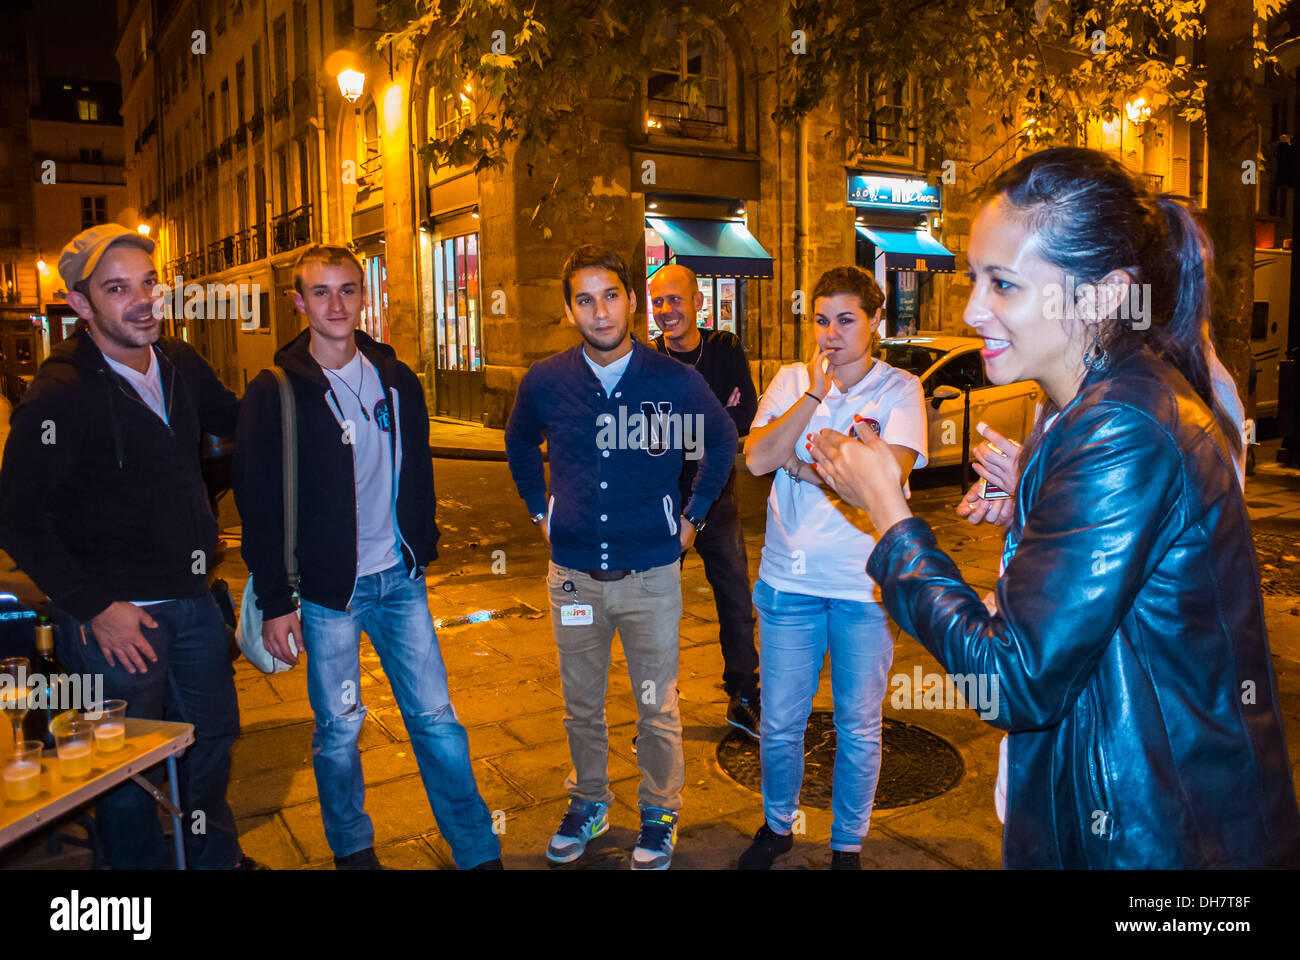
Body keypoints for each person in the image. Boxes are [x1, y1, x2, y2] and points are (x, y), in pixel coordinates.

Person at [810, 147, 1300, 868]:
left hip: (1155, 840)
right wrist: (1034, 520)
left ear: (1103, 295)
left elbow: (1013, 682)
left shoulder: (1124, 426)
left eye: (1003, 283)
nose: (974, 308)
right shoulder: (1093, 407)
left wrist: (890, 514)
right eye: (975, 278)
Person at [0, 224, 260, 869]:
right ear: (82, 305)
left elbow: (243, 425)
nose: (142, 300)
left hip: (193, 601)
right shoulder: (60, 395)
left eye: (148, 282)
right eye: (117, 289)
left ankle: (210, 860)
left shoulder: (179, 363)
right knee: (123, 768)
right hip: (113, 619)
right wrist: (93, 606)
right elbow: (18, 519)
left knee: (212, 741)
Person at [233, 244, 501, 870]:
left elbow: (420, 468)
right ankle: (353, 851)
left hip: (400, 580)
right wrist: (276, 601)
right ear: (299, 302)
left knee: (438, 722)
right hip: (330, 593)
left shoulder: (396, 378)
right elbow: (259, 504)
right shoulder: (275, 391)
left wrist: (422, 540)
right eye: (320, 292)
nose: (335, 304)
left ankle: (477, 849)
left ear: (363, 295)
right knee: (339, 734)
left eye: (347, 290)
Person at [505, 245, 737, 869]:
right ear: (569, 309)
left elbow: (721, 443)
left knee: (656, 703)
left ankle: (660, 812)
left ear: (631, 302)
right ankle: (589, 799)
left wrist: (692, 519)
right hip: (575, 583)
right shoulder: (547, 381)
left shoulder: (673, 381)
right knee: (581, 700)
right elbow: (520, 441)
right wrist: (540, 511)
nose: (600, 311)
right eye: (585, 299)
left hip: (650, 577)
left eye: (611, 296)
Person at [737, 265, 927, 870]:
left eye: (846, 320)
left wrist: (802, 466)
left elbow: (880, 483)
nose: (831, 334)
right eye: (821, 320)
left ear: (875, 321)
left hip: (863, 588)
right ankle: (777, 825)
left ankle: (848, 844)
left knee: (859, 725)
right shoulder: (793, 379)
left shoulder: (899, 391)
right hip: (787, 583)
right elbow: (758, 458)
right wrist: (815, 400)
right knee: (781, 722)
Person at [648, 263, 761, 738]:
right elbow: (644, 435)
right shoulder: (644, 360)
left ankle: (743, 695)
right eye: (657, 302)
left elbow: (741, 417)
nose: (666, 310)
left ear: (698, 302)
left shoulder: (724, 349)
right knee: (654, 610)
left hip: (715, 498)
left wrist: (682, 427)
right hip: (659, 505)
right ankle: (658, 709)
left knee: (736, 600)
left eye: (675, 299)